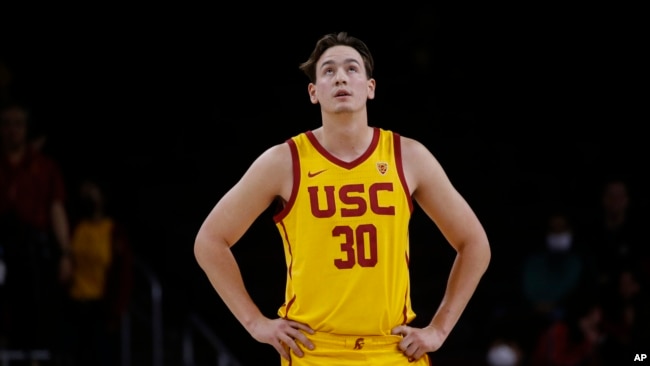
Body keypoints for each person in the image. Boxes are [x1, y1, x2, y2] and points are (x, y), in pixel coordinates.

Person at [194, 31, 491, 365]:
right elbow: (210, 241)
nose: (341, 78)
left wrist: (439, 329)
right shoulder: (283, 161)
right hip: (313, 351)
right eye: (328, 71)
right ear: (313, 92)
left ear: (370, 87)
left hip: (391, 350)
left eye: (352, 69)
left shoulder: (408, 156)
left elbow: (474, 243)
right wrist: (255, 323)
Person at [0, 101, 72, 362]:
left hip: (33, 251)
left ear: (26, 128)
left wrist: (65, 252)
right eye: (6, 124)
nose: (12, 130)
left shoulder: (44, 166)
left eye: (17, 124)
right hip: (2, 248)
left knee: (38, 316)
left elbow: (56, 209)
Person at [59, 178, 134, 366]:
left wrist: (116, 312)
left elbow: (123, 275)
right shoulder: (77, 227)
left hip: (101, 308)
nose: (87, 197)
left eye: (92, 192)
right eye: (84, 193)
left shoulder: (113, 230)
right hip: (75, 305)